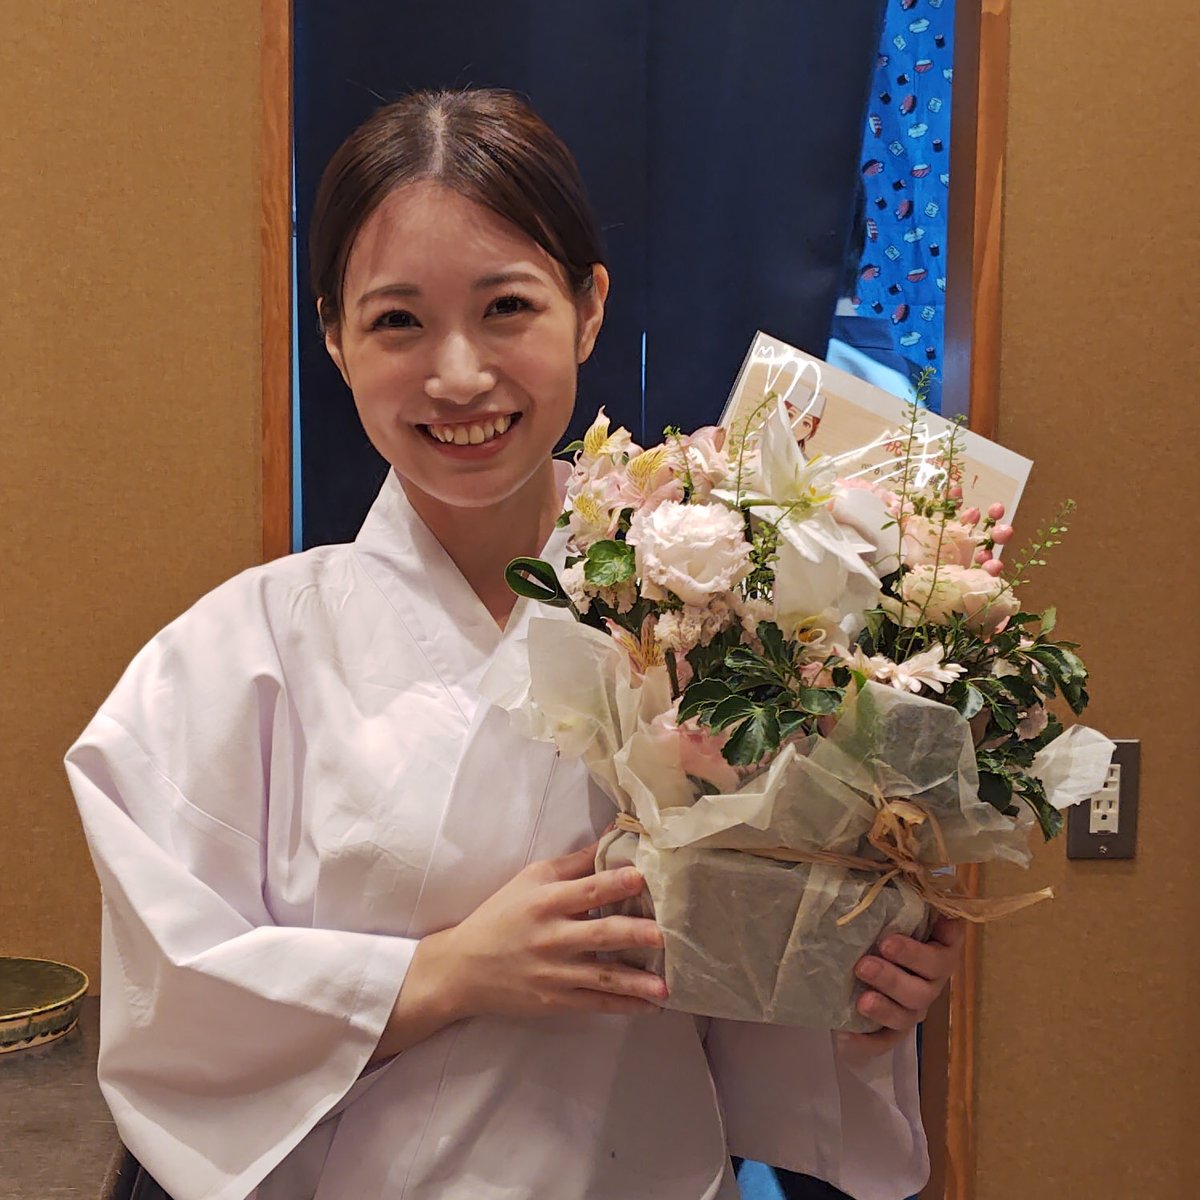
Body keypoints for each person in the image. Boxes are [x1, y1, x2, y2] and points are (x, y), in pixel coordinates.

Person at [65, 89, 963, 1200]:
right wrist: (450, 973)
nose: (458, 375)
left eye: (506, 307)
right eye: (397, 322)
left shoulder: (732, 631)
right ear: (334, 337)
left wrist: (864, 991)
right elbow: (178, 1009)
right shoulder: (226, 662)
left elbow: (756, 1004)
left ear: (588, 308)